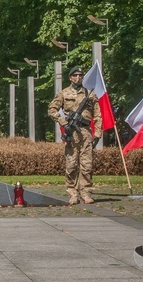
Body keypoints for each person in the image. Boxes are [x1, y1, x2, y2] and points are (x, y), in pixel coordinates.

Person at [48, 66, 102, 205]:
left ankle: (86, 193)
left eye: (80, 75)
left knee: (87, 165)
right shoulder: (63, 93)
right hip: (71, 133)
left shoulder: (90, 94)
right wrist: (64, 122)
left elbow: (97, 115)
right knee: (71, 164)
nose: (78, 78)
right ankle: (72, 193)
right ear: (70, 78)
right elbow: (52, 110)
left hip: (85, 133)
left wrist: (98, 133)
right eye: (75, 75)